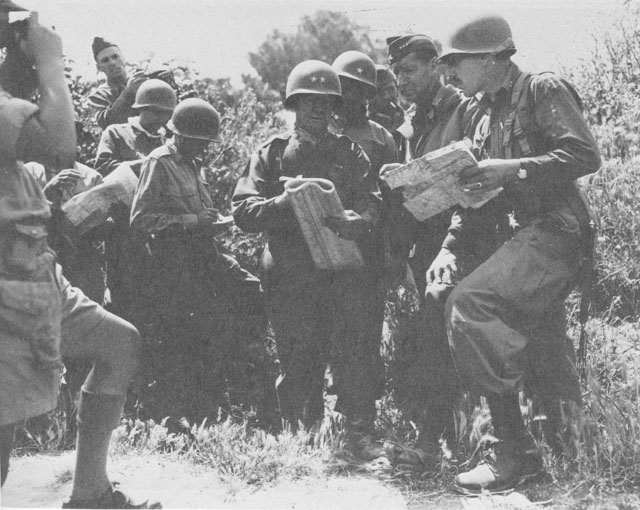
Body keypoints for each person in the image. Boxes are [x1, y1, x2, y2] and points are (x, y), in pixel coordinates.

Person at [0, 3, 159, 508]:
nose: (30, 37)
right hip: (8, 289)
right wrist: (50, 62)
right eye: (17, 32)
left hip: (35, 277)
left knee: (119, 344)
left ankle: (90, 491)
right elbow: (61, 142)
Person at [433, 14, 600, 493]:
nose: (449, 74)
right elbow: (482, 192)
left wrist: (514, 170)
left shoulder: (540, 90)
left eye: (456, 63)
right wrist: (450, 236)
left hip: (557, 231)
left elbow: (585, 155)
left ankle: (512, 450)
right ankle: (565, 450)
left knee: (471, 303)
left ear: (489, 58)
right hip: (520, 236)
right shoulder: (481, 112)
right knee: (543, 341)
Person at [232, 60, 382, 459]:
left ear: (335, 106)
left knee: (353, 352)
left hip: (341, 269)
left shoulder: (350, 152)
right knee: (298, 355)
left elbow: (373, 204)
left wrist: (359, 220)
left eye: (325, 102)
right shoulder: (272, 154)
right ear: (294, 105)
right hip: (289, 271)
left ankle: (359, 434)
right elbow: (243, 213)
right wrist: (285, 202)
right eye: (308, 101)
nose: (317, 109)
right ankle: (302, 434)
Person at [381, 34, 482, 466]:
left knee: (443, 333)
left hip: (468, 237)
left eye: (408, 70)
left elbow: (476, 178)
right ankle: (442, 437)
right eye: (395, 72)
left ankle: (432, 443)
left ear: (436, 67)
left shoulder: (466, 109)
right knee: (429, 338)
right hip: (428, 244)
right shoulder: (413, 122)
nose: (400, 80)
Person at [130, 97, 263, 422]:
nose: (204, 148)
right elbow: (141, 219)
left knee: (251, 292)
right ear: (184, 136)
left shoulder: (191, 163)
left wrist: (209, 219)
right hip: (174, 264)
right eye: (201, 141)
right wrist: (192, 221)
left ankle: (223, 392)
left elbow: (199, 213)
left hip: (203, 257)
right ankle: (181, 415)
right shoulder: (159, 162)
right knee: (183, 338)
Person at [94, 79, 176, 321]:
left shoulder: (169, 140)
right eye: (155, 112)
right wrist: (146, 164)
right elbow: (103, 169)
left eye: (165, 113)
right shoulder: (116, 133)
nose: (161, 118)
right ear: (141, 109)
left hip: (160, 228)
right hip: (123, 228)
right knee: (123, 297)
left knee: (158, 297)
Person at [87, 36, 147, 129]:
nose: (112, 63)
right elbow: (108, 122)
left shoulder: (139, 81)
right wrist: (129, 92)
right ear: (99, 67)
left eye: (115, 57)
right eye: (105, 60)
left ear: (123, 59)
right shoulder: (98, 96)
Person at [368, 64, 405, 158]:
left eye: (390, 89)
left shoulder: (410, 121)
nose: (386, 96)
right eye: (379, 92)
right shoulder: (363, 128)